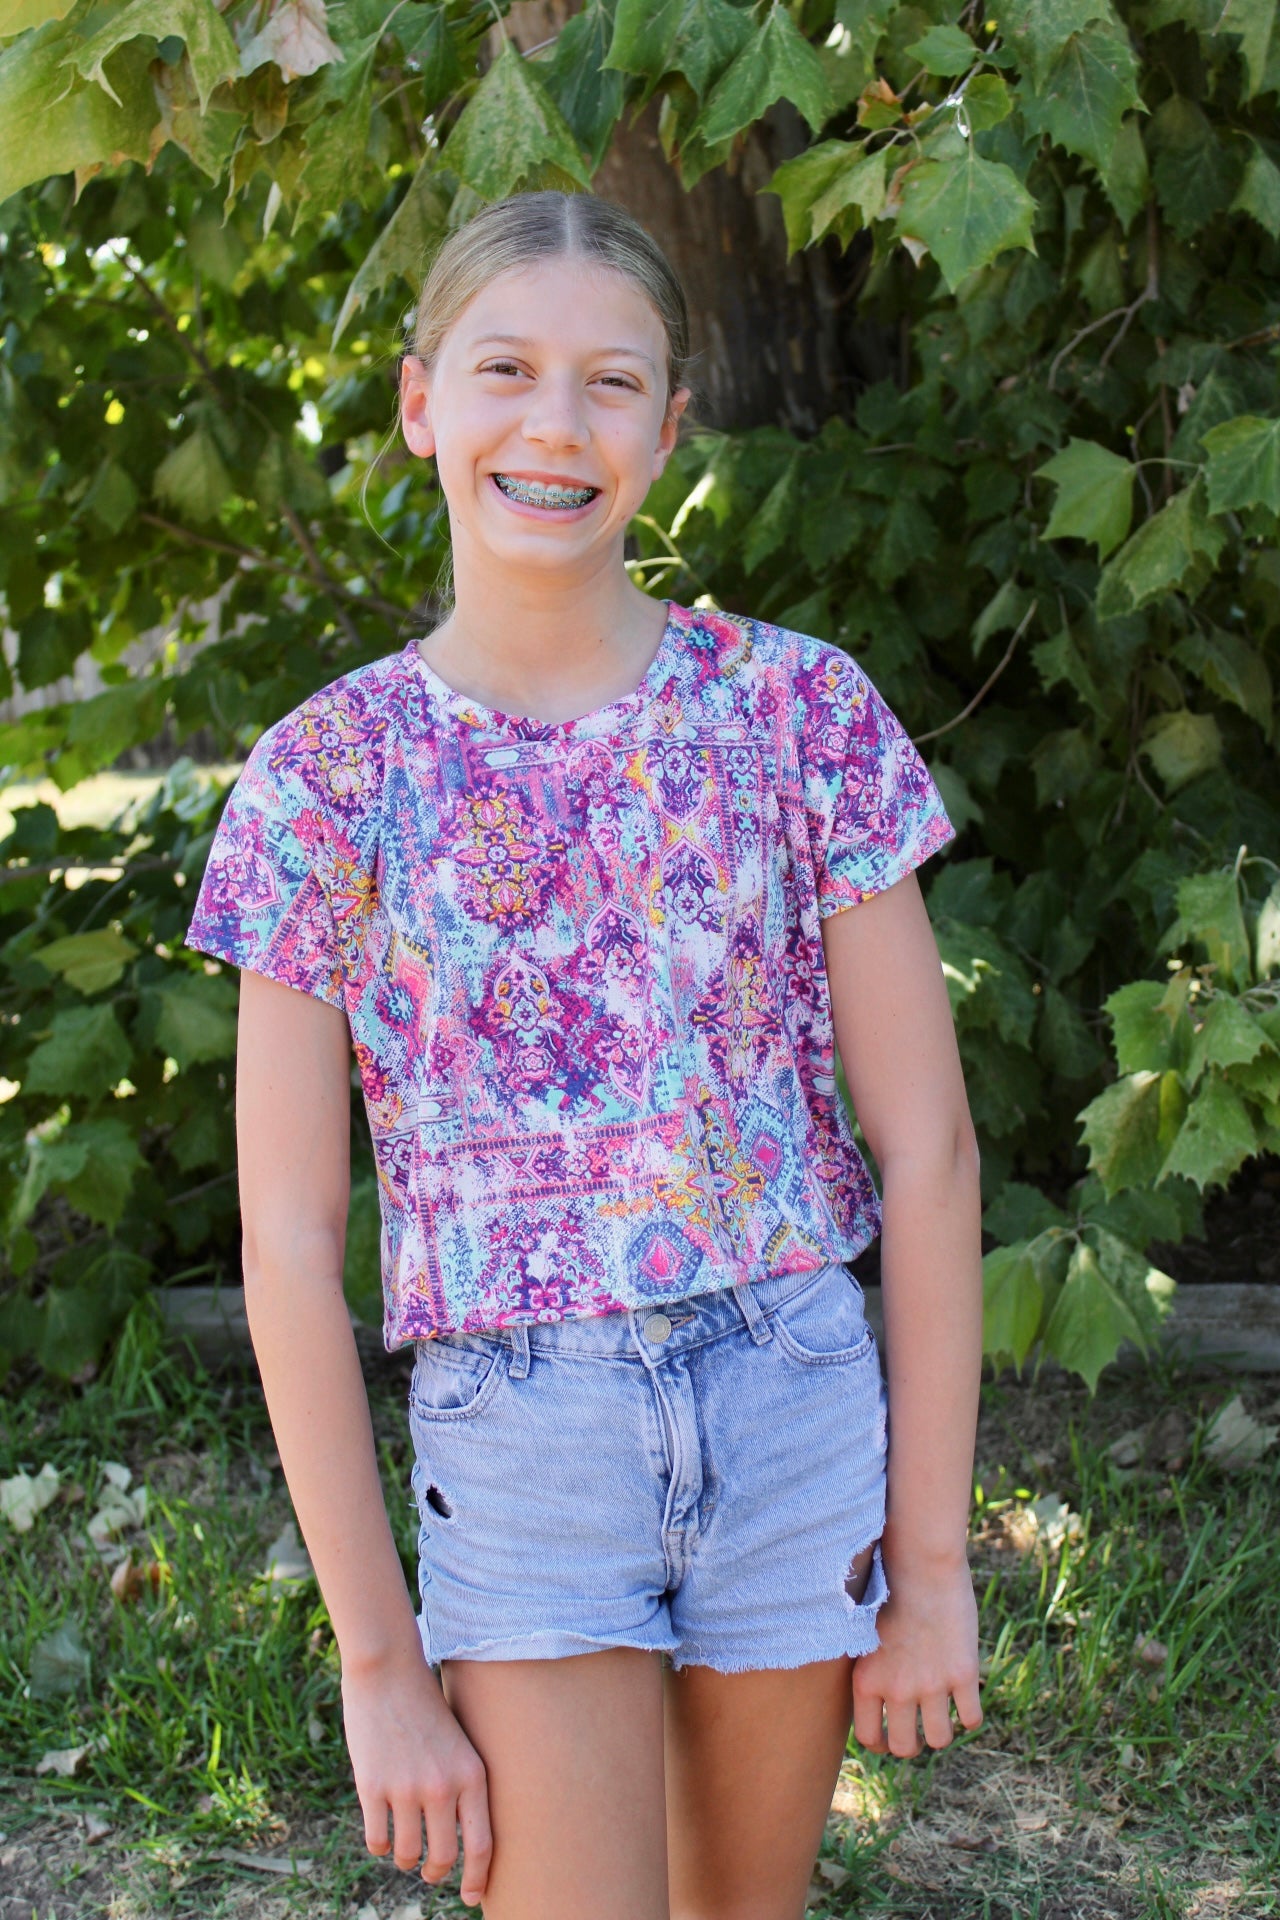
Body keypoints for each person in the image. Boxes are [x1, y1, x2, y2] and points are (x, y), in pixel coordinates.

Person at [186, 189, 983, 1920]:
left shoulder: (801, 714)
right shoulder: (328, 778)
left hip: (789, 1399)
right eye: (506, 369)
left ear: (670, 426)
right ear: (420, 405)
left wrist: (933, 1568)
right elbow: (284, 1250)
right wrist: (380, 1666)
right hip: (526, 1433)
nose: (557, 422)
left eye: (612, 381)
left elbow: (926, 1154)